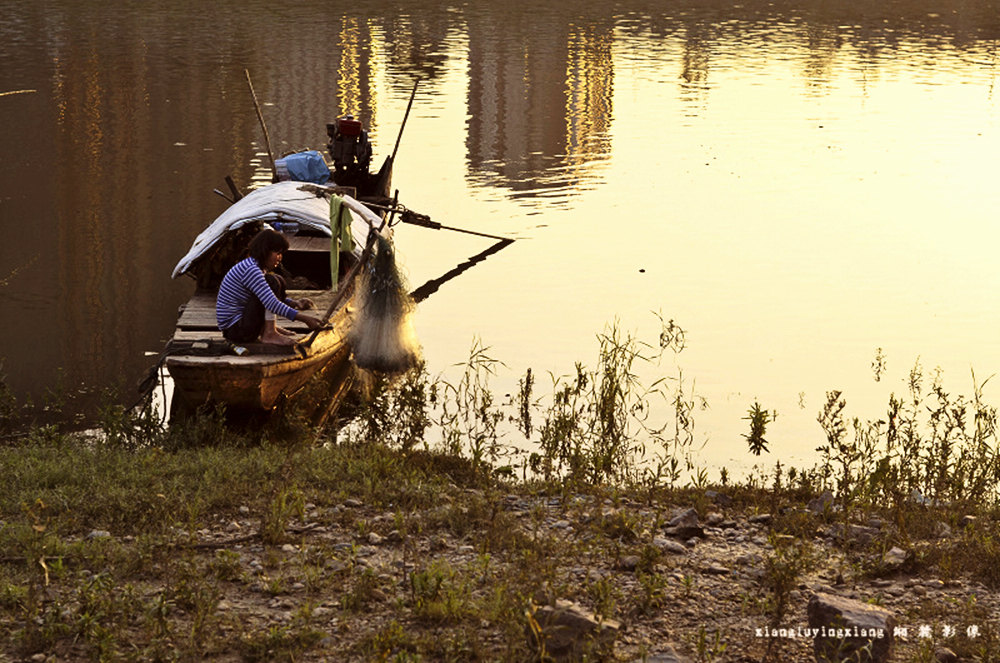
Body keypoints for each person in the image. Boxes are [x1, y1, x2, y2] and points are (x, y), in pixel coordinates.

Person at [216, 228, 323, 346]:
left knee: (278, 280)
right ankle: (269, 333)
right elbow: (271, 303)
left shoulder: (255, 267)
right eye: (277, 253)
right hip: (236, 330)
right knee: (272, 282)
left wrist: (294, 303)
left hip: (239, 325)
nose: (280, 257)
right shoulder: (251, 270)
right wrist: (305, 319)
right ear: (265, 251)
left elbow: (267, 297)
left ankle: (268, 328)